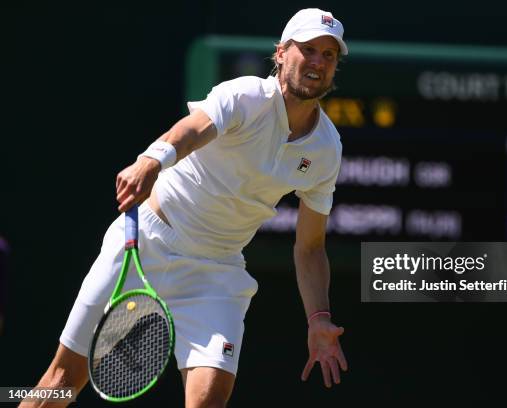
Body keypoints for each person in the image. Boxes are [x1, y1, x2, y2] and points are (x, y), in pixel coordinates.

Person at [21, 7, 349, 408]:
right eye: (308, 49)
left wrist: (318, 319)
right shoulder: (245, 96)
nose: (317, 62)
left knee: (210, 398)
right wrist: (151, 160)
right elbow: (193, 130)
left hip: (215, 276)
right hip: (147, 247)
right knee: (62, 381)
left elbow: (310, 247)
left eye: (328, 55)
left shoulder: (326, 149)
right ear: (281, 52)